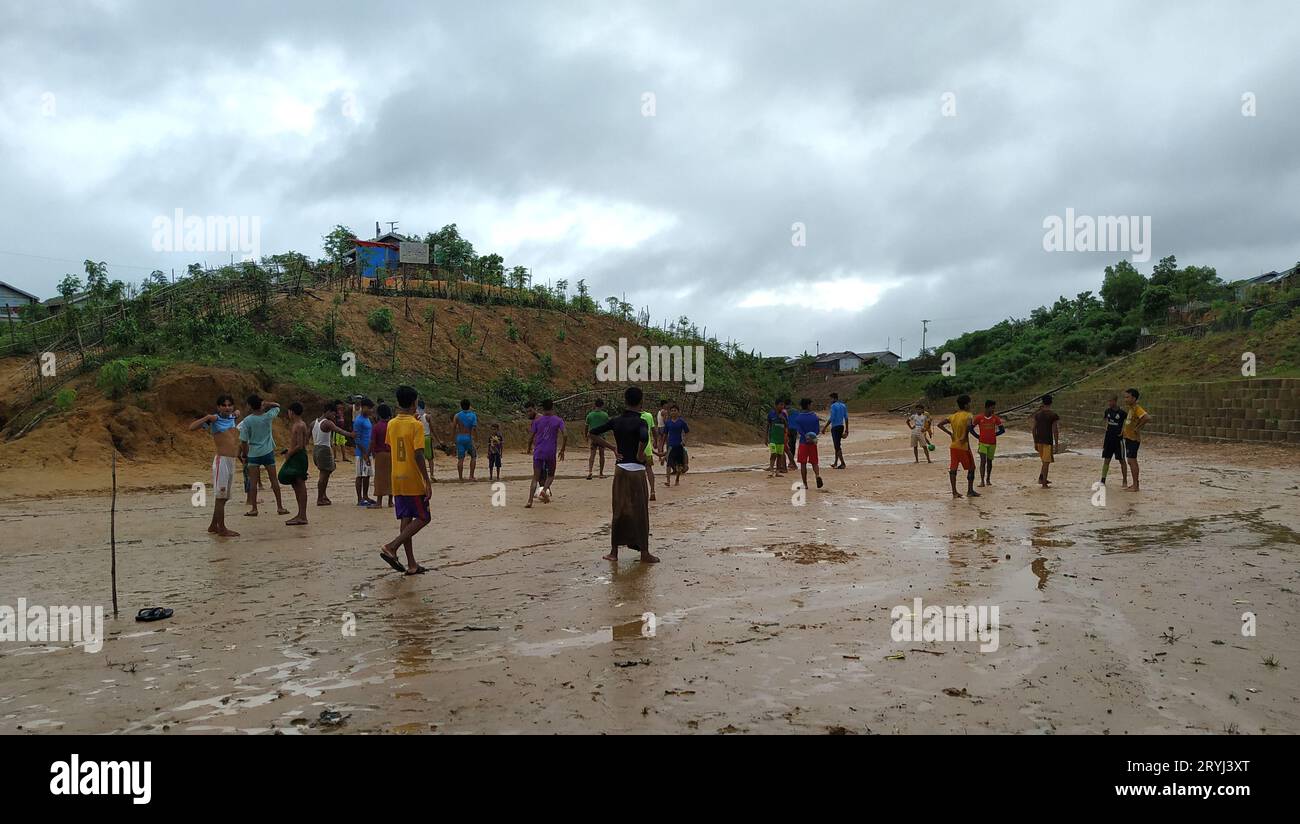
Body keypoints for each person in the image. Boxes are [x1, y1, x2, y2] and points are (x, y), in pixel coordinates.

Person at [587, 387, 658, 563]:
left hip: (620, 470)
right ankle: (644, 553)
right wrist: (640, 454)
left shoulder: (616, 421)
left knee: (618, 510)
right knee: (640, 512)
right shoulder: (641, 422)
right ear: (641, 403)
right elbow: (644, 436)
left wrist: (612, 448)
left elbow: (592, 433)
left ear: (625, 401)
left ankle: (614, 552)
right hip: (637, 471)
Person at [378, 385, 433, 576]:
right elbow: (418, 454)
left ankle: (412, 564)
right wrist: (427, 480)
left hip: (397, 477)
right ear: (413, 402)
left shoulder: (392, 423)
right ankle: (392, 546)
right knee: (424, 517)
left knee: (407, 519)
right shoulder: (416, 425)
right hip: (412, 478)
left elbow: (392, 446)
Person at [188, 395, 241, 537]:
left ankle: (213, 525)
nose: (227, 407)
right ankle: (222, 528)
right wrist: (207, 418)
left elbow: (236, 416)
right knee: (220, 495)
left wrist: (236, 414)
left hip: (231, 461)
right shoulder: (214, 421)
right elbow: (192, 427)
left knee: (224, 496)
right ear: (218, 407)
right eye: (224, 405)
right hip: (222, 461)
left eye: (230, 405)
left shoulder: (231, 418)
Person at [239, 394, 288, 517]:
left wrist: (245, 455)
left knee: (253, 482)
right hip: (267, 451)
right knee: (274, 480)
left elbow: (244, 441)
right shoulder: (268, 416)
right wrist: (268, 403)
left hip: (254, 453)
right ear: (261, 404)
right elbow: (277, 406)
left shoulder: (247, 421)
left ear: (250, 406)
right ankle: (280, 507)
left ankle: (254, 508)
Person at [937, 394, 979, 498]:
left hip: (953, 446)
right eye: (969, 403)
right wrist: (964, 437)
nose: (970, 405)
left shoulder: (953, 416)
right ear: (965, 405)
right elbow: (969, 427)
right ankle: (969, 491)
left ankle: (954, 492)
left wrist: (950, 433)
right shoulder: (968, 415)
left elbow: (939, 424)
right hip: (963, 446)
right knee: (972, 467)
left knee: (953, 469)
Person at [526, 400, 567, 507]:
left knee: (535, 477)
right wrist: (562, 449)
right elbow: (565, 435)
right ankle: (544, 489)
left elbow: (530, 437)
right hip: (550, 451)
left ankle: (530, 501)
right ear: (552, 407)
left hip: (538, 451)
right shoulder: (558, 420)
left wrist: (529, 449)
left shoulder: (537, 421)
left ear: (542, 408)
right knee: (551, 475)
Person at [311, 402, 352, 506]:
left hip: (316, 448)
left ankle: (323, 495)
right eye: (333, 414)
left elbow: (307, 437)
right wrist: (351, 435)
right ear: (328, 412)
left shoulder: (314, 422)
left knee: (325, 473)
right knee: (324, 475)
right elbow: (339, 431)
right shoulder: (327, 423)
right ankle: (320, 497)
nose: (334, 417)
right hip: (324, 449)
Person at [278, 402, 311, 525]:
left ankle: (302, 515)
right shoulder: (299, 425)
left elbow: (300, 445)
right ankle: (300, 514)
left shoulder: (299, 425)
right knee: (296, 485)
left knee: (300, 484)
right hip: (296, 456)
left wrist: (289, 453)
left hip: (298, 457)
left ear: (291, 412)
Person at [1122, 388, 1150, 492]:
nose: (1125, 399)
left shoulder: (1137, 408)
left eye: (1127, 397)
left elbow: (1147, 417)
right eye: (1125, 397)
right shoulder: (1131, 409)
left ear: (1134, 398)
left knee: (1132, 461)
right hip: (1129, 438)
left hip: (1133, 439)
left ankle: (1135, 485)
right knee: (1130, 461)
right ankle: (1134, 484)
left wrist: (1137, 428)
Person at [972, 399, 1004, 487]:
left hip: (993, 443)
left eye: (994, 408)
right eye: (992, 408)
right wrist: (977, 436)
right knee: (983, 461)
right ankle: (982, 481)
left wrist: (994, 434)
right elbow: (971, 428)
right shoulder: (979, 418)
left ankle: (988, 479)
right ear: (987, 408)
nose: (993, 410)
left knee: (989, 462)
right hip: (982, 443)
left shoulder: (995, 418)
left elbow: (1002, 430)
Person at [1032, 394, 1060, 488]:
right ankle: (1044, 484)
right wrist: (1056, 444)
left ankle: (1041, 478)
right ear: (1051, 402)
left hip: (1039, 440)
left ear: (1042, 403)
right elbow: (1055, 430)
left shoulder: (1037, 415)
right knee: (1046, 463)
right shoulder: (1053, 415)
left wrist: (1035, 441)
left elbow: (1033, 429)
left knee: (1044, 461)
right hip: (1047, 441)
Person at [1100, 393, 1129, 486]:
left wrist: (1124, 430)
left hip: (1118, 440)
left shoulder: (1122, 413)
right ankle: (1103, 479)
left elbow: (1127, 421)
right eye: (1108, 401)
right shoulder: (1107, 411)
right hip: (1108, 439)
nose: (1109, 403)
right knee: (1106, 460)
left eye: (1111, 401)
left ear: (1115, 401)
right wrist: (1106, 427)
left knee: (1122, 460)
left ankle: (1124, 480)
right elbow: (1105, 420)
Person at [353, 398, 376, 506]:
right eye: (369, 408)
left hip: (368, 451)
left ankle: (365, 495)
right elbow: (357, 439)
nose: (371, 410)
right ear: (363, 407)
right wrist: (364, 454)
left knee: (367, 475)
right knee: (360, 475)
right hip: (361, 452)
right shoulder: (358, 420)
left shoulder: (367, 419)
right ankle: (359, 498)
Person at [371, 404, 394, 508]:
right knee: (391, 477)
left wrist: (369, 454)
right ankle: (390, 501)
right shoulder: (392, 426)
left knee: (379, 477)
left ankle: (379, 502)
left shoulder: (376, 427)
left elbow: (372, 442)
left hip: (380, 454)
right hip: (392, 454)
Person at [664, 404, 689, 485]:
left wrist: (684, 440)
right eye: (672, 411)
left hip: (679, 446)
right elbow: (664, 434)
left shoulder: (682, 422)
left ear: (678, 412)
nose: (673, 412)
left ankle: (677, 479)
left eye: (675, 410)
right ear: (670, 412)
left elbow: (687, 432)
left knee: (679, 466)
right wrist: (661, 444)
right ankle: (668, 481)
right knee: (668, 464)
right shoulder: (668, 423)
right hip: (671, 446)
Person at [453, 399, 478, 481]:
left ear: (461, 406)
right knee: (473, 456)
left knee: (460, 459)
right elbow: (474, 429)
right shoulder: (473, 415)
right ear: (469, 405)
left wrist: (453, 440)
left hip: (460, 437)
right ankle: (471, 476)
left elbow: (453, 428)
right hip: (469, 437)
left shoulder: (457, 416)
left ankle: (460, 478)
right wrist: (476, 440)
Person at [585, 398, 610, 480]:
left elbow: (586, 426)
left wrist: (586, 436)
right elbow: (607, 426)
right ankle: (601, 473)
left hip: (593, 437)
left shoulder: (590, 415)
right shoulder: (605, 415)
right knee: (601, 455)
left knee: (592, 454)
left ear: (594, 405)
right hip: (602, 437)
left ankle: (590, 471)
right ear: (602, 405)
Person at [823, 392, 849, 469]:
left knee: (837, 446)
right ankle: (835, 462)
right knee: (837, 444)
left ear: (833, 398)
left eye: (830, 399)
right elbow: (846, 418)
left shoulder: (833, 406)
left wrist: (824, 427)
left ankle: (843, 463)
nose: (830, 400)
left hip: (835, 427)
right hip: (841, 426)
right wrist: (847, 429)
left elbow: (832, 418)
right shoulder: (843, 405)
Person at [639, 406, 658, 501]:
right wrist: (656, 441)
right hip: (647, 448)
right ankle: (653, 491)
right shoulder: (649, 415)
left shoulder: (634, 417)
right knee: (649, 469)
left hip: (636, 449)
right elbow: (654, 431)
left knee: (637, 471)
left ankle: (640, 493)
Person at [766, 398, 788, 477]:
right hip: (773, 437)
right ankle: (771, 469)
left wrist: (783, 419)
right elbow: (768, 425)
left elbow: (786, 426)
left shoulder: (784, 414)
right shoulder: (771, 414)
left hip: (781, 438)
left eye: (783, 405)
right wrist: (766, 437)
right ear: (776, 405)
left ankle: (778, 471)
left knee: (779, 455)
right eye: (781, 405)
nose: (782, 406)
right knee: (773, 453)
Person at [655, 399, 670, 464]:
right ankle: (667, 455)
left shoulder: (659, 411)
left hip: (659, 427)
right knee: (667, 442)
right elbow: (665, 421)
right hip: (664, 427)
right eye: (666, 404)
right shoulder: (664, 411)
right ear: (664, 405)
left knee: (660, 443)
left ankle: (660, 457)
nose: (667, 405)